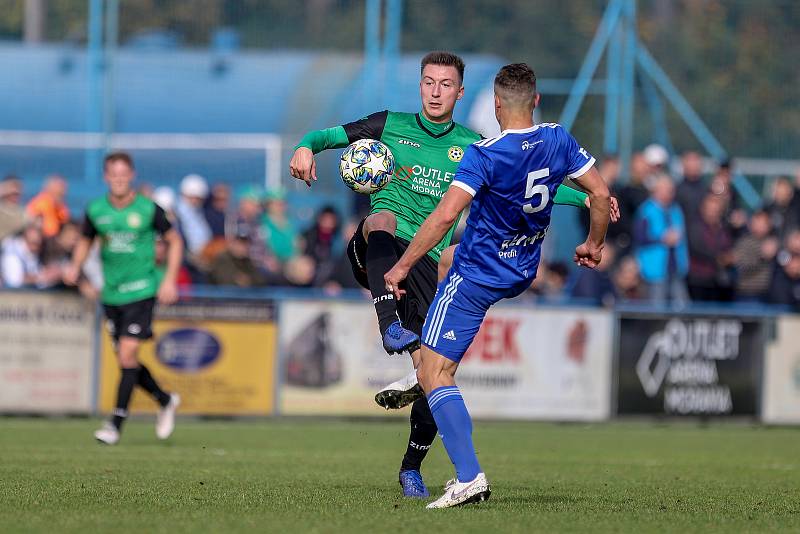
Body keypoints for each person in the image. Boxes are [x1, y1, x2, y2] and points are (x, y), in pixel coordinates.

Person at [289, 51, 598, 499]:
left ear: (459, 92)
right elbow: (329, 134)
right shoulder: (388, 124)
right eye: (428, 82)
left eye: (445, 84)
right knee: (382, 222)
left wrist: (586, 200)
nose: (436, 92)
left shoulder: (475, 148)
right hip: (380, 256)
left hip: (424, 267)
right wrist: (305, 146)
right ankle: (389, 325)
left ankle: (412, 467)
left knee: (433, 373)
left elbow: (540, 186)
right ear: (420, 86)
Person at [383, 63, 610, 508]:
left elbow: (446, 216)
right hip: (523, 267)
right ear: (537, 100)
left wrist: (402, 266)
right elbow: (600, 195)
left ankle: (468, 477)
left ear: (496, 103)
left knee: (436, 373)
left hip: (479, 275)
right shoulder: (557, 138)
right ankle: (426, 365)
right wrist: (593, 244)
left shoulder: (485, 153)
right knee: (447, 258)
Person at [63, 152, 183, 445]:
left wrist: (168, 279)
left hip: (142, 290)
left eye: (123, 174)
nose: (118, 179)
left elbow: (175, 240)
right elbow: (85, 240)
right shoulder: (96, 210)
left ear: (132, 176)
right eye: (113, 174)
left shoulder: (147, 209)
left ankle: (115, 423)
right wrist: (75, 266)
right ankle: (165, 399)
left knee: (128, 355)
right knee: (126, 362)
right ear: (107, 177)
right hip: (111, 294)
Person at [633, 175, 690, 305]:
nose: (670, 193)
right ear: (656, 190)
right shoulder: (646, 211)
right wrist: (662, 239)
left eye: (671, 190)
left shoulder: (675, 210)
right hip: (654, 270)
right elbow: (640, 237)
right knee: (656, 309)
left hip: (676, 268)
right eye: (666, 190)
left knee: (682, 307)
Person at [26, 174, 70, 238]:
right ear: (50, 188)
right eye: (60, 188)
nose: (64, 192)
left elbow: (65, 223)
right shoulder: (40, 204)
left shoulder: (61, 206)